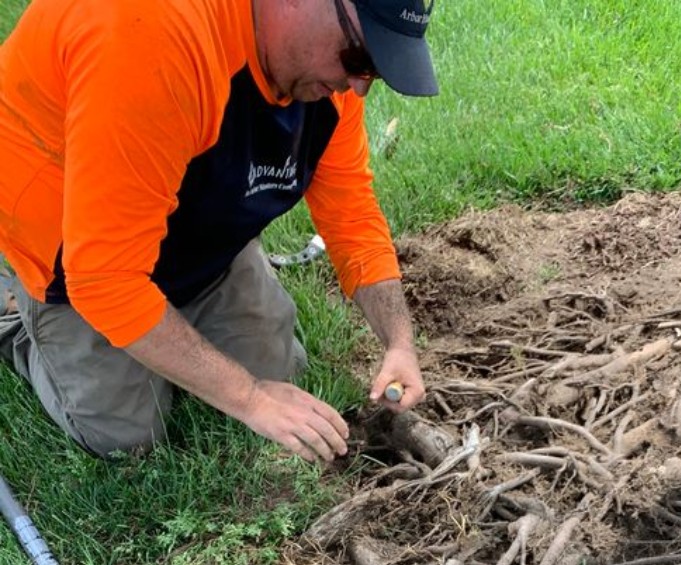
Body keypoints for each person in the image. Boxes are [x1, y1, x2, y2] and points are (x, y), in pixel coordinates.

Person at [0, 0, 436, 462]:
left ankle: (175, 307)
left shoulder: (329, 82)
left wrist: (398, 341)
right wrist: (250, 398)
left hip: (191, 225)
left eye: (374, 71)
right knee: (127, 435)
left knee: (281, 370)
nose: (358, 86)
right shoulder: (150, 33)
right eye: (357, 59)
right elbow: (102, 277)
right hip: (72, 251)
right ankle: (13, 314)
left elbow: (351, 215)